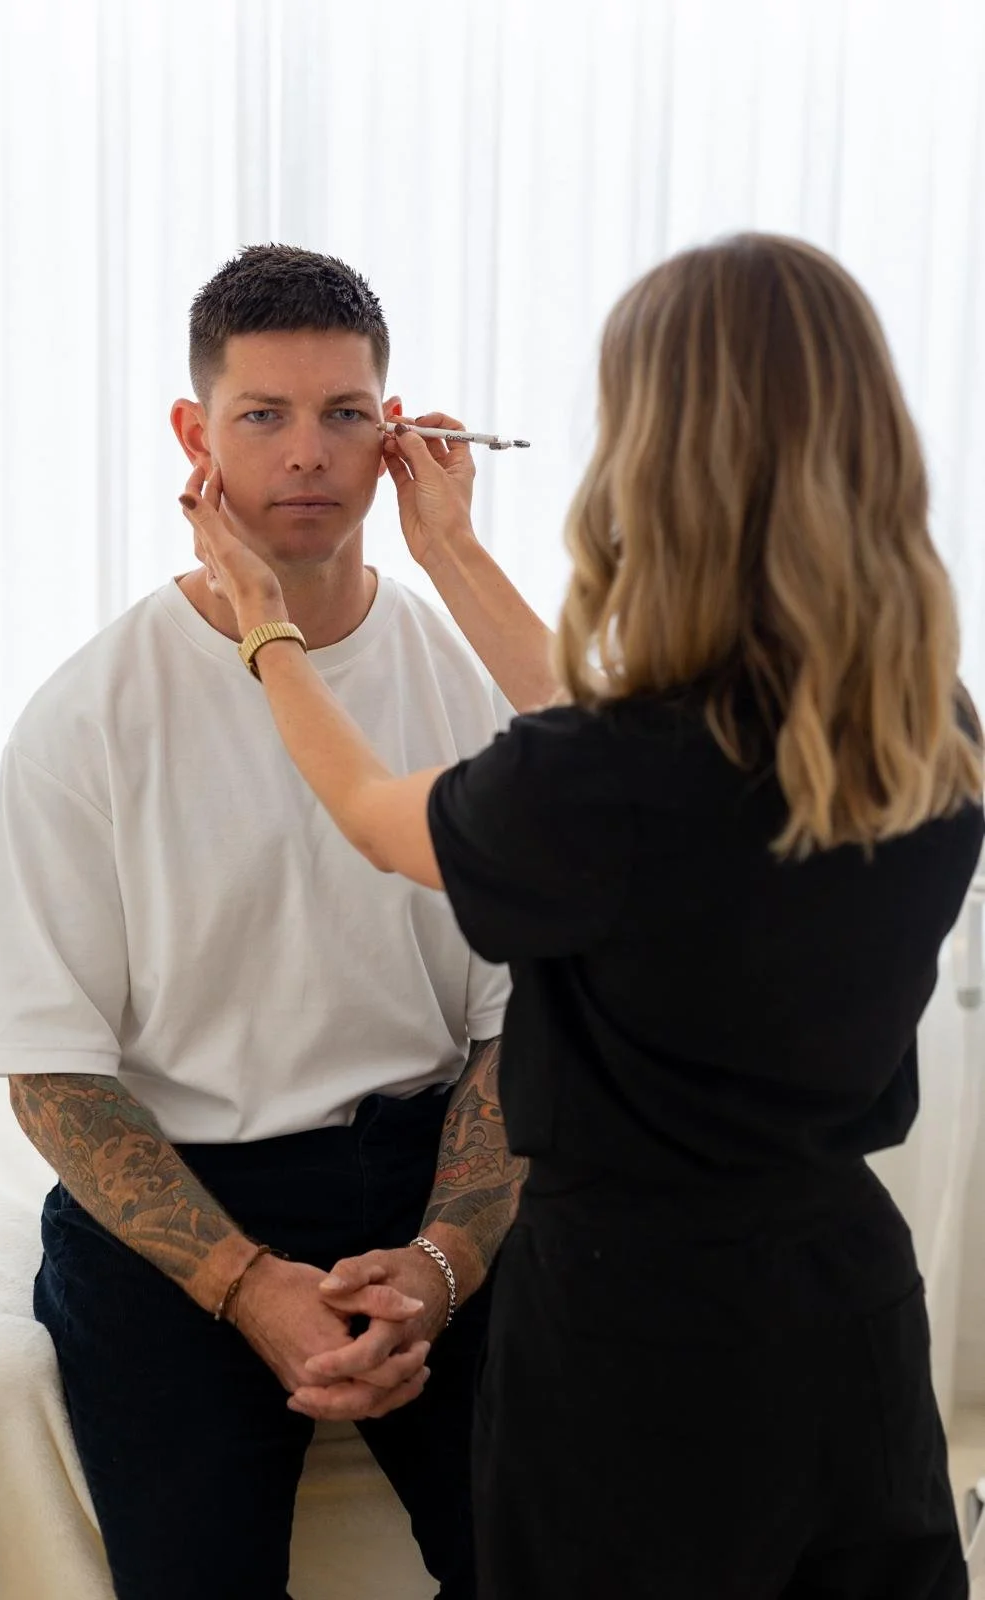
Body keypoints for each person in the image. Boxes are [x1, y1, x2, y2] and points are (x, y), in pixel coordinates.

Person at [182, 233, 985, 1600]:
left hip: (640, 1330)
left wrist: (263, 631)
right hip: (844, 1302)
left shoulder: (614, 781)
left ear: (657, 458)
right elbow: (634, 771)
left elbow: (383, 813)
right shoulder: (922, 727)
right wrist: (450, 551)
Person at [0, 245, 523, 1600]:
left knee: (546, 1560)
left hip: (424, 1177)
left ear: (394, 439)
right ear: (194, 434)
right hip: (181, 1207)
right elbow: (53, 1076)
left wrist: (445, 1261)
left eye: (344, 415)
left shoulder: (466, 687)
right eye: (262, 414)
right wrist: (250, 1284)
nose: (306, 455)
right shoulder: (84, 717)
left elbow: (525, 1023)